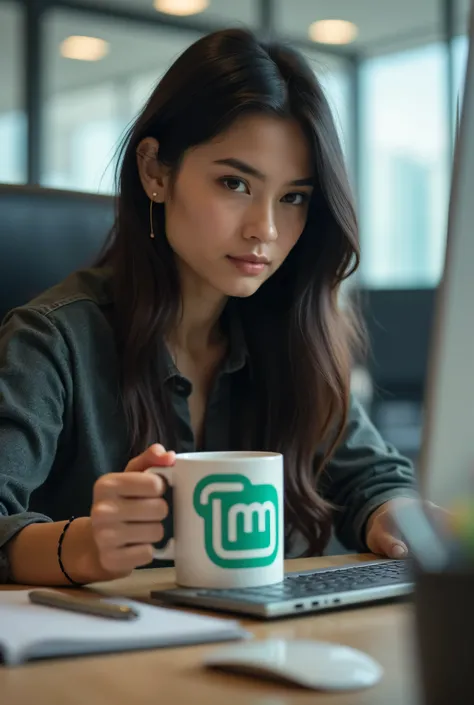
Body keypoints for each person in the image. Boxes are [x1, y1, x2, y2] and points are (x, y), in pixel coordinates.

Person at [0, 28, 436, 587]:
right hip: (102, 661)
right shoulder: (52, 339)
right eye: (235, 183)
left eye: (294, 197)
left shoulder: (289, 333)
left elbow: (370, 478)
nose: (266, 229)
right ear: (156, 172)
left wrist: (396, 517)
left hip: (266, 647)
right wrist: (82, 544)